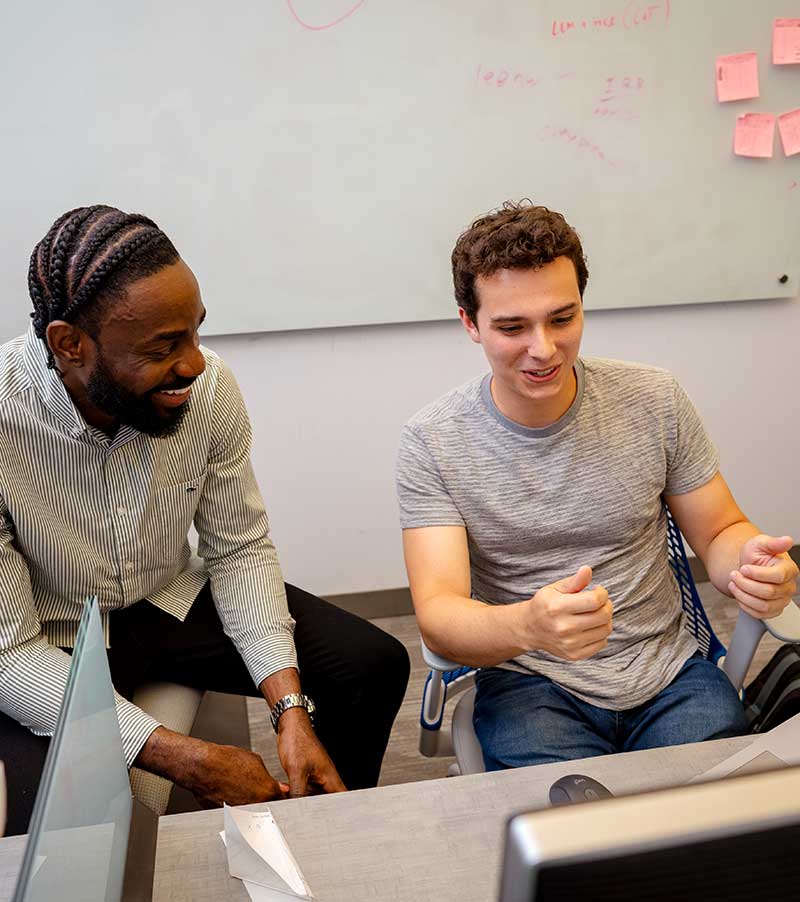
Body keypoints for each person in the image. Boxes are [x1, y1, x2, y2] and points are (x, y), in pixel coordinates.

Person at [0, 205, 409, 835]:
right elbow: (9, 654)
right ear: (69, 344)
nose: (195, 363)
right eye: (165, 346)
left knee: (371, 664)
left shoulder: (208, 387)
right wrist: (182, 756)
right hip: (49, 635)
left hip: (166, 600)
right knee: (52, 830)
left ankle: (327, 836)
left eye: (195, 332)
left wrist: (291, 710)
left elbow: (238, 548)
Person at [396, 201, 798, 771]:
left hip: (668, 669)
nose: (543, 349)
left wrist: (752, 568)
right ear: (470, 323)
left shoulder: (653, 398)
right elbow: (439, 612)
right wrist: (529, 626)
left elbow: (721, 532)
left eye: (562, 319)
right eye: (512, 327)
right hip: (531, 679)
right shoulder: (432, 441)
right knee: (570, 837)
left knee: (714, 822)